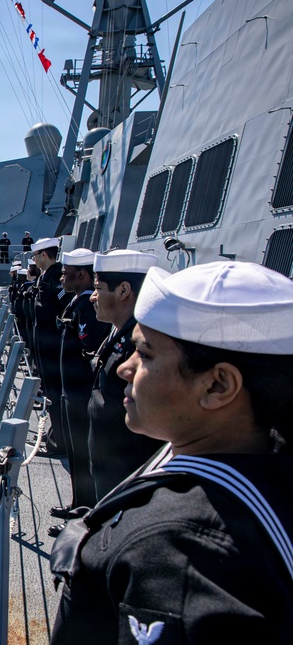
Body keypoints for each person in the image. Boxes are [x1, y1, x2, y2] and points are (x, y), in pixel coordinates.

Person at [50, 261, 293, 643]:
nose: (124, 369)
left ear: (217, 386)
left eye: (145, 355)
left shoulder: (181, 553)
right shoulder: (265, 461)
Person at [86, 249, 162, 502]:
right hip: (108, 460)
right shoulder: (119, 332)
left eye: (98, 288)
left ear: (123, 290)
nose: (92, 297)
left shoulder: (140, 341)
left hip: (124, 465)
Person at [54, 249, 109, 518]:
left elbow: (89, 349)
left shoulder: (87, 306)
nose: (62, 278)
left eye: (66, 274)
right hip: (69, 390)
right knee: (76, 455)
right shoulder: (76, 302)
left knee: (85, 457)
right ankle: (78, 503)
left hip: (79, 392)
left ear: (82, 275)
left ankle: (84, 507)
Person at [30, 237, 70, 456]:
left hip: (51, 345)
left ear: (44, 255)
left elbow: (65, 304)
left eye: (35, 255)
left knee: (54, 392)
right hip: (45, 344)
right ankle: (54, 433)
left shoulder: (55, 277)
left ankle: (58, 443)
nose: (34, 259)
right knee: (50, 392)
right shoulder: (47, 276)